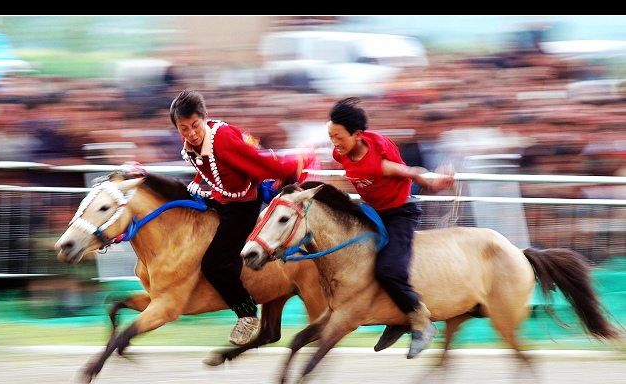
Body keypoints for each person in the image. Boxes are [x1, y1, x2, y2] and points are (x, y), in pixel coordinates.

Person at [170, 89, 317, 346]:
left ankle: (247, 313)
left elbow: (257, 163)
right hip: (221, 199)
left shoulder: (223, 140)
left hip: (242, 208)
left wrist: (294, 164)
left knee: (214, 265)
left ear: (205, 117)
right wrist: (198, 182)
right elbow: (212, 167)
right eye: (183, 128)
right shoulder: (190, 145)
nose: (191, 133)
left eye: (195, 125)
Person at [327, 97, 455, 359]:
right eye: (331, 137)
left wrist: (435, 182)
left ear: (358, 135)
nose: (335, 144)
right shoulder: (339, 153)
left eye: (339, 137)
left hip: (399, 213)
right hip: (372, 212)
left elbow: (412, 172)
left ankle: (421, 322)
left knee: (389, 270)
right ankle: (396, 319)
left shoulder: (377, 163)